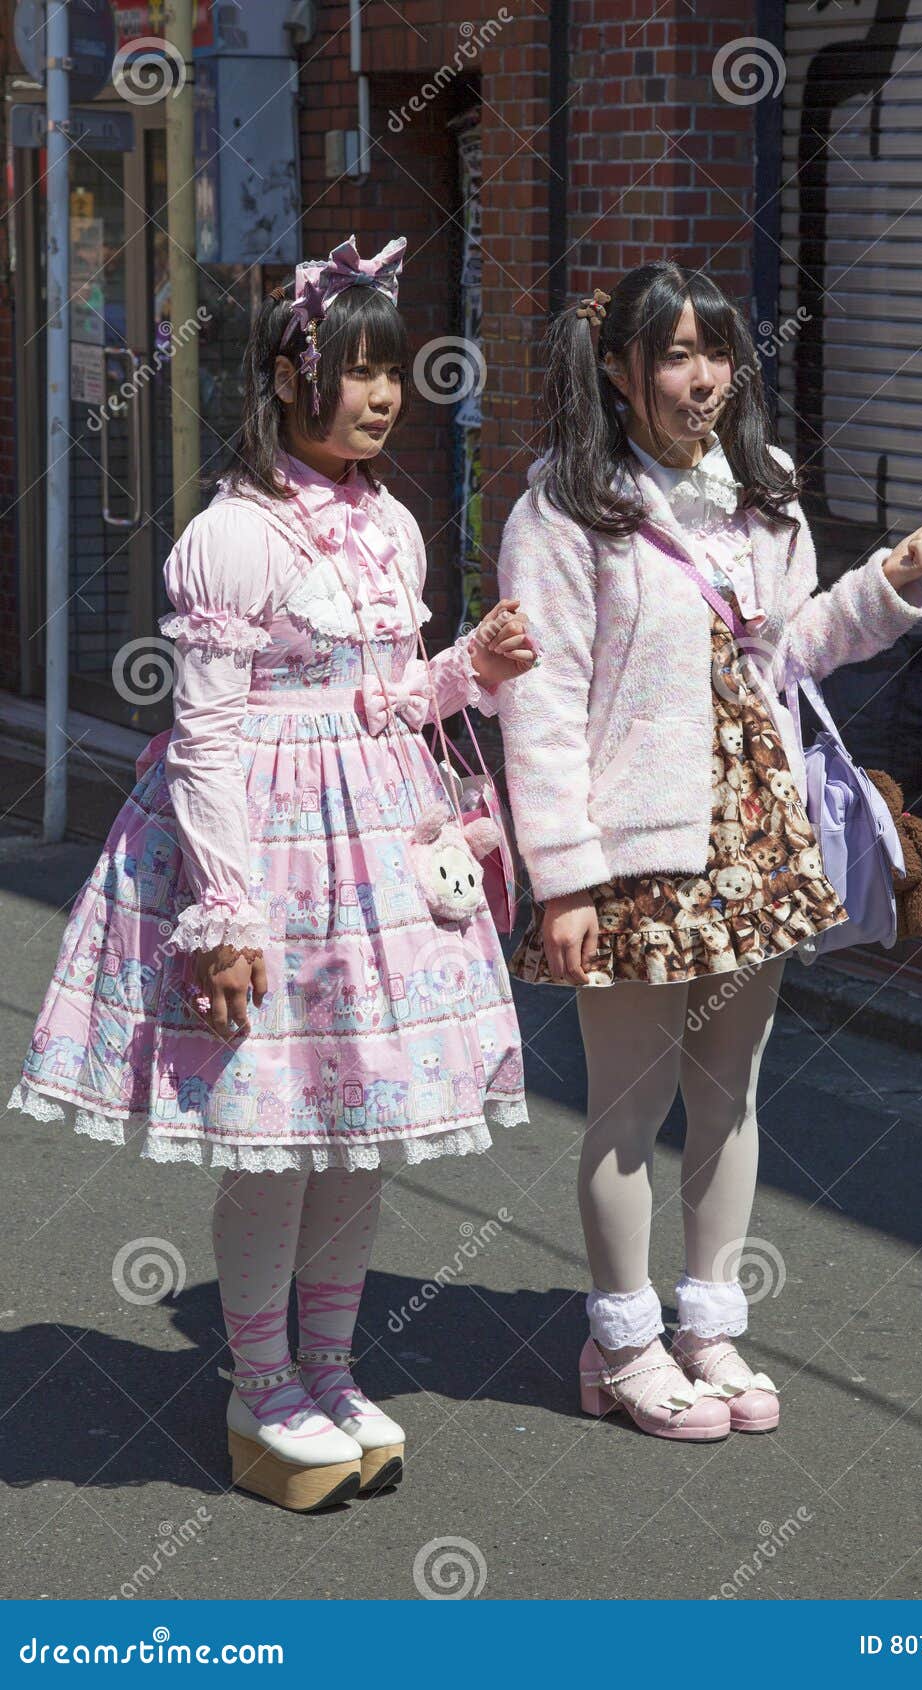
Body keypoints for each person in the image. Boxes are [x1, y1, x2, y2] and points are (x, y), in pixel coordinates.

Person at [8, 234, 536, 1510]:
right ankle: (258, 1384)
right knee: (274, 1137)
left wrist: (468, 668)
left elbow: (390, 697)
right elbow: (206, 743)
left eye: (393, 372)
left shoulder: (393, 526)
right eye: (356, 371)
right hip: (269, 859)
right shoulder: (232, 538)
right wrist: (222, 912)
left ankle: (331, 1365)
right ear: (292, 375)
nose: (382, 394)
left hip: (383, 853)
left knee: (358, 1130)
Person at [496, 261, 922, 1442]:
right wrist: (566, 878)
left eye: (716, 356)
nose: (701, 381)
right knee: (627, 1110)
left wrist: (884, 589)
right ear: (619, 370)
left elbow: (788, 651)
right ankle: (623, 1340)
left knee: (731, 1095)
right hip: (633, 855)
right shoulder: (564, 507)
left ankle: (707, 1325)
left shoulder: (765, 491)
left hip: (756, 833)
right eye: (675, 356)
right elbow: (537, 708)